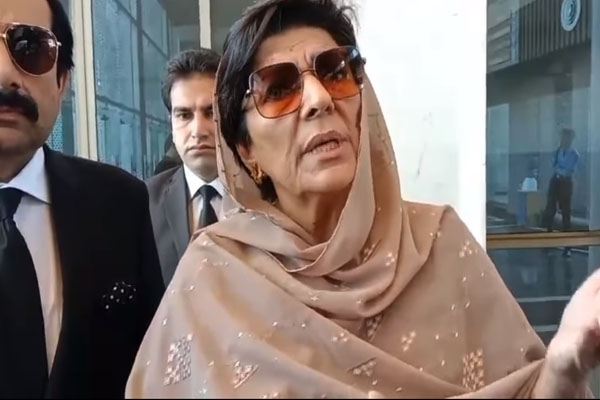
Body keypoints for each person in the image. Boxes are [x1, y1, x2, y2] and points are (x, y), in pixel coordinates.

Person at [127, 0, 599, 397]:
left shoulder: (438, 245)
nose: (319, 99)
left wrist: (562, 366)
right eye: (280, 88)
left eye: (335, 71)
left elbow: (525, 390)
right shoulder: (213, 279)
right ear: (245, 149)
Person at [0, 0, 164, 397]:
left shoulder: (120, 204)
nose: (4, 73)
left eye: (28, 47)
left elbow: (157, 365)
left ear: (63, 81)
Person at [146, 49, 224, 285]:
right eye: (184, 115)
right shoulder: (143, 203)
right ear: (170, 122)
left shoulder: (268, 199)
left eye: (211, 112)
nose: (198, 130)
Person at [542, 128, 579, 257]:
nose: (563, 140)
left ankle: (567, 247)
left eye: (566, 138)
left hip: (566, 183)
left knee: (565, 213)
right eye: (562, 138)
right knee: (550, 211)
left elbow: (568, 170)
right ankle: (548, 243)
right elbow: (553, 164)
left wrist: (559, 169)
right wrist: (559, 169)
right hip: (555, 181)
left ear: (570, 139)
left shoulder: (574, 154)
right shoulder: (558, 151)